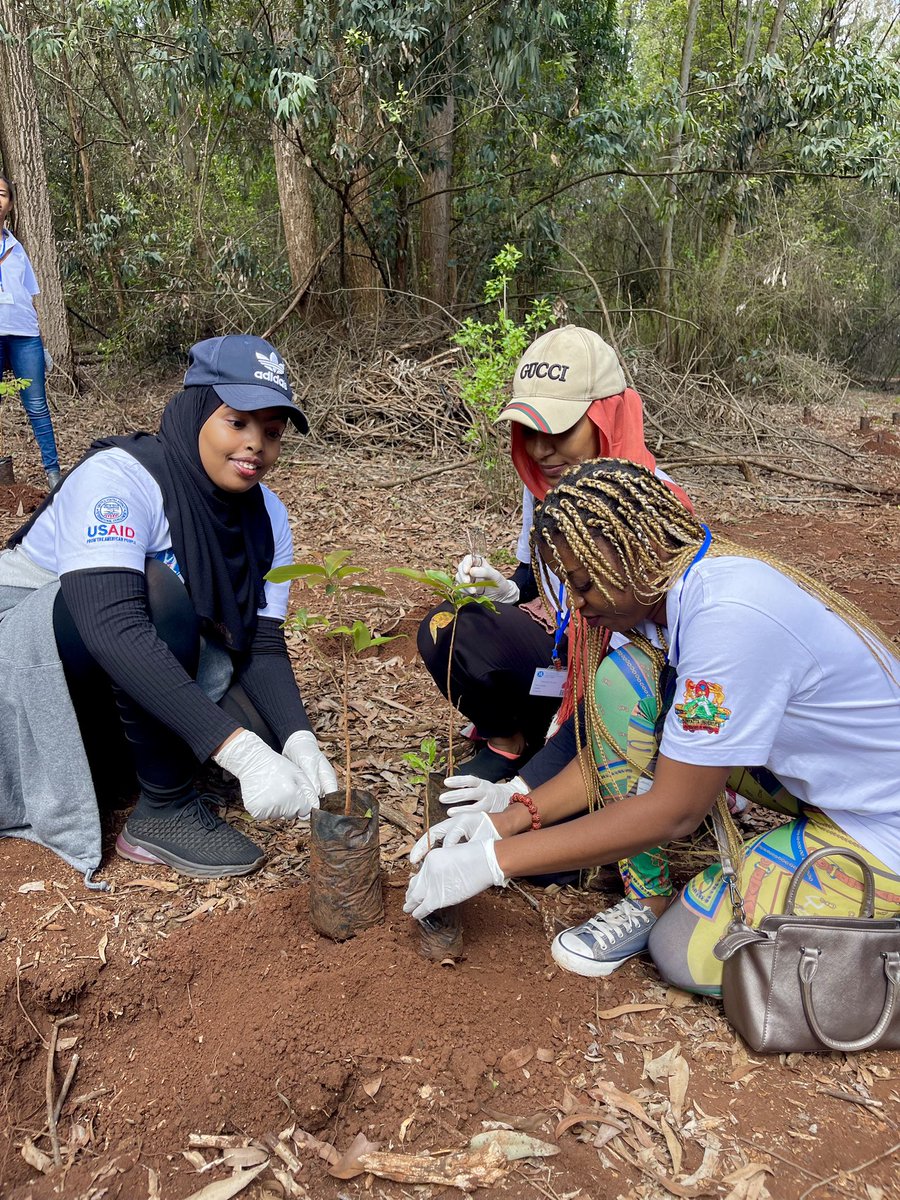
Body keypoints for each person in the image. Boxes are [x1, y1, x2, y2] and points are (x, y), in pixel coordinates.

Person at [404, 459, 900, 992]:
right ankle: (648, 897)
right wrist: (512, 814)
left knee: (685, 953)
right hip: (827, 786)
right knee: (626, 683)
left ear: (637, 551)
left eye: (586, 582)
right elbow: (623, 749)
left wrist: (490, 861)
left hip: (880, 825)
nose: (579, 604)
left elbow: (674, 810)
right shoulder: (686, 588)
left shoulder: (728, 622)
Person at [0, 334, 336, 885]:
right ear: (199, 408)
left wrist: (300, 739)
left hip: (106, 666)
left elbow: (262, 642)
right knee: (155, 590)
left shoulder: (267, 516)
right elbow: (111, 627)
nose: (255, 445)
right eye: (238, 422)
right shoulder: (121, 477)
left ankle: (114, 766)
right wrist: (240, 752)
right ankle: (164, 807)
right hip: (23, 653)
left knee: (265, 729)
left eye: (271, 433)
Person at [417, 325, 692, 786]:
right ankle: (519, 737)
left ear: (607, 419)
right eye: (528, 430)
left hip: (631, 672)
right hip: (567, 653)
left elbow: (667, 648)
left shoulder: (651, 507)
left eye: (559, 429)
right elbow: (536, 579)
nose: (541, 449)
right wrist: (504, 588)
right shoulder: (548, 489)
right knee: (448, 626)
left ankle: (579, 755)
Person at [0, 174, 62, 489]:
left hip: (25, 335)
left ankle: (53, 474)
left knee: (37, 405)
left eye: (1, 194)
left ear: (9, 205)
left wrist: (43, 345)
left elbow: (29, 297)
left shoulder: (17, 247)